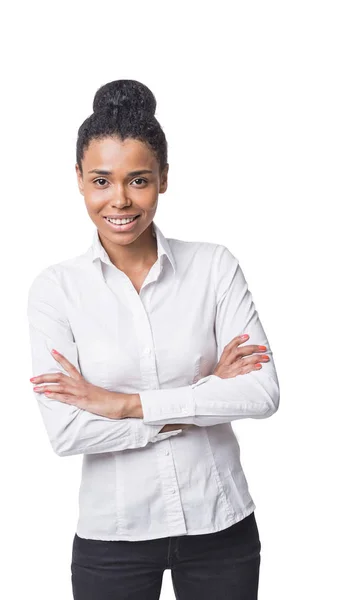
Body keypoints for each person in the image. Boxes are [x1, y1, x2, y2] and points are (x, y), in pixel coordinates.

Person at [27, 79, 280, 599]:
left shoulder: (214, 267)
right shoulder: (56, 290)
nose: (119, 199)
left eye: (138, 180)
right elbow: (66, 433)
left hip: (221, 523)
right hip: (112, 535)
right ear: (78, 179)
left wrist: (120, 405)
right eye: (101, 180)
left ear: (163, 178)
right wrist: (203, 396)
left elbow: (261, 394)